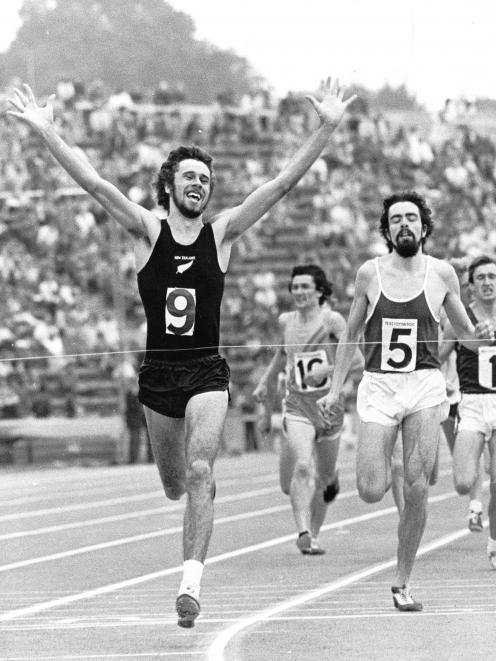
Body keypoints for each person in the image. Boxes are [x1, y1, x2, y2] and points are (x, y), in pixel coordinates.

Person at [7, 78, 356, 627]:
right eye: (191, 176)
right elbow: (95, 184)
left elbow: (282, 183)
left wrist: (327, 127)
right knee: (175, 484)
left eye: (207, 179)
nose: (200, 184)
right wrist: (48, 131)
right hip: (158, 377)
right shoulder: (148, 230)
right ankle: (196, 491)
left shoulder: (222, 234)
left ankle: (190, 583)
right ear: (169, 184)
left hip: (207, 373)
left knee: (199, 469)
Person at [318, 191, 491, 611]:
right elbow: (351, 335)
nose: (404, 225)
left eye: (411, 218)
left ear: (424, 226)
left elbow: (464, 335)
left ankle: (402, 582)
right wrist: (335, 388)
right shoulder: (369, 274)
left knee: (416, 488)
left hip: (425, 387)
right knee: (371, 490)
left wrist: (479, 336)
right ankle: (398, 455)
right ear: (387, 229)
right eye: (396, 220)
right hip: (379, 387)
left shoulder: (443, 274)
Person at [253, 265, 363, 555]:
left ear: (319, 291)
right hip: (298, 403)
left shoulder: (332, 321)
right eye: (295, 287)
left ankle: (313, 534)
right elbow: (281, 354)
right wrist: (265, 384)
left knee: (324, 479)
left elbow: (359, 361)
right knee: (301, 469)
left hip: (329, 405)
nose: (299, 292)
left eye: (305, 287)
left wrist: (326, 369)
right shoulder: (286, 321)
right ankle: (302, 530)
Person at [440, 255, 496, 568]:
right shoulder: (459, 321)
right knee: (463, 481)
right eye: (482, 278)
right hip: (472, 405)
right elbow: (433, 360)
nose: (488, 282)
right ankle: (474, 500)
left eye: (493, 276)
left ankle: (494, 543)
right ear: (471, 286)